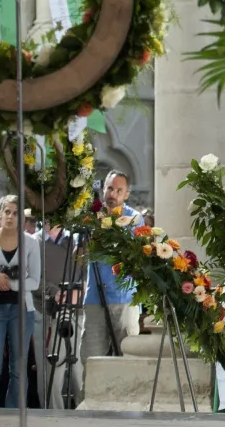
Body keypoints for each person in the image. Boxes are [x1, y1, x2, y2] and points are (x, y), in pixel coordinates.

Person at [77, 171, 142, 402]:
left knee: (126, 359)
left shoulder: (134, 219)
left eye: (118, 190)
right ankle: (90, 407)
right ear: (103, 189)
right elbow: (79, 254)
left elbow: (138, 254)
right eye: (109, 188)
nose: (112, 194)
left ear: (127, 194)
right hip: (94, 298)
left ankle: (126, 408)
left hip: (124, 298)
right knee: (91, 360)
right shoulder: (91, 217)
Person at [0, 195, 42, 408]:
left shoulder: (31, 242)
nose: (11, 217)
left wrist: (11, 284)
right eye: (7, 212)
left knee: (19, 369)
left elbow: (34, 282)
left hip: (21, 311)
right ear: (0, 213)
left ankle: (13, 416)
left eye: (16, 213)